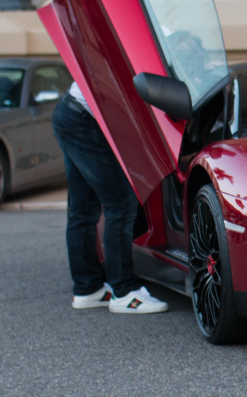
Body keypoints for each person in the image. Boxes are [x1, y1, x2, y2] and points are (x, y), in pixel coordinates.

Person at [52, 82, 168, 313]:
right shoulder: (141, 47)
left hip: (71, 111)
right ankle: (125, 292)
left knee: (82, 209)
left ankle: (88, 289)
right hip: (87, 120)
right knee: (121, 204)